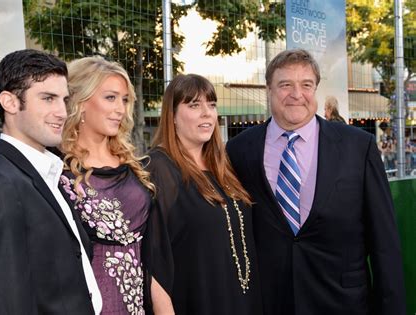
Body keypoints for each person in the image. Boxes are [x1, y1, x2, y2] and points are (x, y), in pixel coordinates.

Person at [226, 48, 406, 315]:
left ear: (316, 89)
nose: (296, 94)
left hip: (344, 303)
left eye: (306, 85)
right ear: (269, 89)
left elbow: (385, 245)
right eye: (285, 84)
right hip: (270, 302)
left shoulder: (358, 147)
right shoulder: (239, 150)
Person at [0, 49, 102, 315]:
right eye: (48, 98)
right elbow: (0, 304)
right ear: (10, 102)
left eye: (64, 100)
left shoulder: (46, 173)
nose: (62, 112)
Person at [146, 74, 262, 314]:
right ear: (172, 116)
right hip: (197, 302)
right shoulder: (158, 167)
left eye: (211, 104)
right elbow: (153, 262)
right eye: (194, 105)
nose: (207, 113)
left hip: (242, 303)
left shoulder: (224, 166)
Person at [59, 56, 155, 314]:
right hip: (91, 300)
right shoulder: (59, 170)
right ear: (80, 101)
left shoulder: (132, 162)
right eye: (110, 98)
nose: (121, 109)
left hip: (141, 297)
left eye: (124, 100)